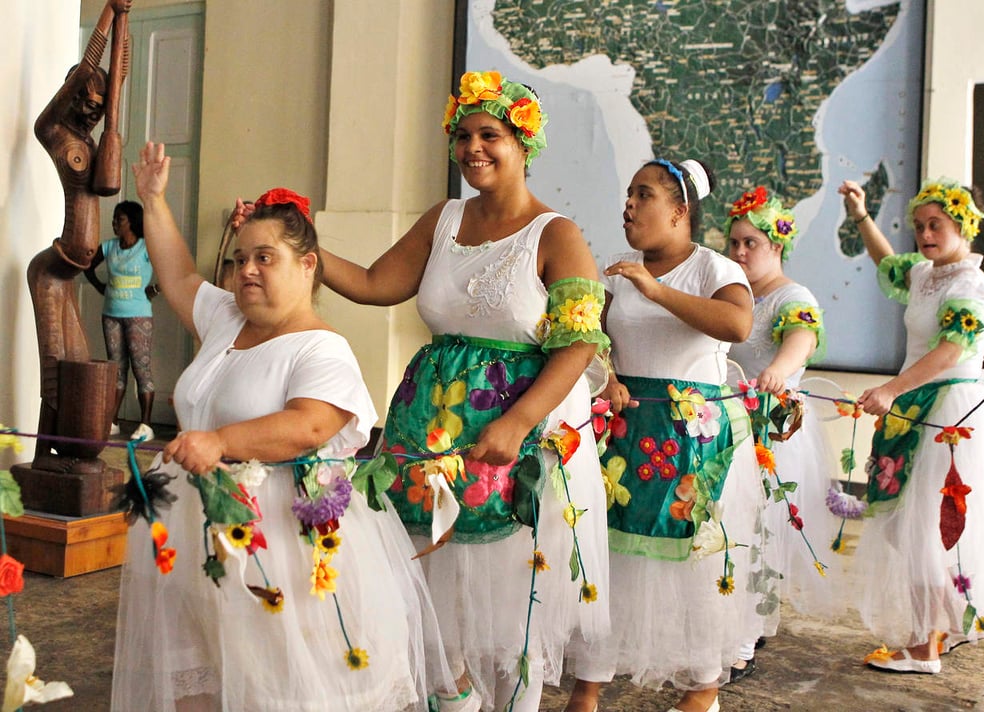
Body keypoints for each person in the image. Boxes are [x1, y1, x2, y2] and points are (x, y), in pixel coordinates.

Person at [303, 71, 611, 712]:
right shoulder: (441, 219)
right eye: (463, 135)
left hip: (514, 442)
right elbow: (372, 282)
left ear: (524, 143)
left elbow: (579, 344)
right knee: (439, 587)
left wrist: (519, 422)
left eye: (490, 134)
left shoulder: (557, 235)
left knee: (510, 597)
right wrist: (303, 246)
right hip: (431, 437)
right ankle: (456, 698)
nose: (473, 147)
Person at [112, 142, 452, 711]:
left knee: (276, 679)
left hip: (282, 544)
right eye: (240, 258)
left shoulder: (323, 349)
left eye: (265, 258)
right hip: (199, 525)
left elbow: (310, 425)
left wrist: (219, 441)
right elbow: (176, 272)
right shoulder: (225, 318)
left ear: (308, 264)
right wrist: (153, 199)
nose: (247, 269)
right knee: (203, 668)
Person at [565, 159, 761, 712]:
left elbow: (736, 325)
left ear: (680, 211)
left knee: (691, 559)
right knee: (611, 554)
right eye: (628, 194)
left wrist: (656, 291)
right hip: (628, 433)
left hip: (693, 441)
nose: (628, 205)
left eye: (643, 195)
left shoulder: (714, 268)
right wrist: (609, 376)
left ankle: (701, 687)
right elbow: (596, 340)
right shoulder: (620, 272)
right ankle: (589, 682)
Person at [839, 178, 984, 673]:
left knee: (923, 528)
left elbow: (950, 351)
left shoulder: (972, 284)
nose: (924, 234)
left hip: (948, 412)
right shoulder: (926, 274)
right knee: (907, 528)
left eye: (935, 225)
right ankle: (956, 616)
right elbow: (888, 265)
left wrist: (891, 389)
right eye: (919, 226)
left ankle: (924, 647)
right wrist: (861, 215)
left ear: (963, 226)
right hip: (914, 406)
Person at [724, 186, 837, 681]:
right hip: (728, 420)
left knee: (760, 530)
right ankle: (735, 618)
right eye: (734, 243)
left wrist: (778, 368)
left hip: (772, 427)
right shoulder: (734, 292)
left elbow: (803, 337)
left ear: (777, 246)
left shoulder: (794, 297)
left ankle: (745, 639)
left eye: (751, 243)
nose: (740, 252)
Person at [26, 0, 130, 471]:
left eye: (96, 108)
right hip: (52, 269)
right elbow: (86, 71)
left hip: (70, 274)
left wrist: (127, 20)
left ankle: (68, 451)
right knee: (56, 370)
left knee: (80, 364)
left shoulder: (91, 143)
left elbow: (117, 77)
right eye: (85, 105)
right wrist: (108, 14)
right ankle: (43, 458)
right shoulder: (55, 133)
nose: (90, 114)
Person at [85, 201, 158, 442]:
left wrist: (154, 290)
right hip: (111, 314)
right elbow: (88, 267)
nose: (115, 223)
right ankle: (113, 421)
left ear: (133, 222)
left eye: (120, 219)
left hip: (138, 315)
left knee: (141, 367)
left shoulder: (147, 247)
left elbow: (170, 270)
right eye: (114, 219)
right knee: (116, 368)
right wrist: (100, 287)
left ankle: (146, 424)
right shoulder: (109, 247)